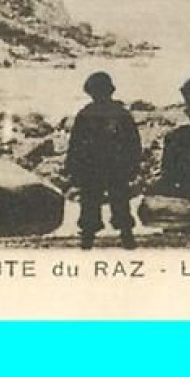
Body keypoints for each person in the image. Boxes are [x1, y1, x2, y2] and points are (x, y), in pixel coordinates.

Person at [64, 71, 143, 249]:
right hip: (113, 167)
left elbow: (75, 144)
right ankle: (125, 236)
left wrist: (72, 167)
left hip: (95, 167)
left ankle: (89, 238)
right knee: (118, 202)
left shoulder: (86, 114)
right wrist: (133, 165)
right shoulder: (120, 114)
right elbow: (134, 143)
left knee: (92, 202)